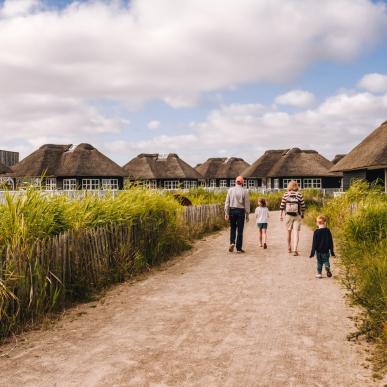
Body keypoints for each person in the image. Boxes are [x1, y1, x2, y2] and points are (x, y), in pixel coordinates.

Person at [225, 176, 250, 253]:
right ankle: (238, 248)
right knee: (240, 230)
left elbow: (227, 203)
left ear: (235, 182)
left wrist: (226, 213)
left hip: (232, 211)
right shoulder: (245, 191)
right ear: (242, 182)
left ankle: (232, 243)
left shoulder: (230, 190)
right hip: (240, 211)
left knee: (232, 228)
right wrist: (247, 214)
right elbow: (246, 204)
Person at [280, 180, 305, 256]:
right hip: (297, 215)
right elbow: (303, 206)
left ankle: (289, 247)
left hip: (288, 216)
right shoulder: (299, 194)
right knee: (296, 233)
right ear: (296, 186)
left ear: (289, 186)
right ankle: (295, 250)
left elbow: (282, 206)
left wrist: (281, 216)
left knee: (289, 232)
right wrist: (302, 214)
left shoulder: (286, 194)